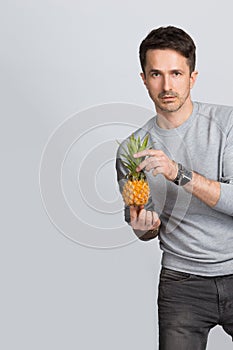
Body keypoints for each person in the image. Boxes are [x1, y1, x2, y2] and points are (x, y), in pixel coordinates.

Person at [116, 26, 233, 350]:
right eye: (156, 74)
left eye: (176, 73)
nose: (167, 85)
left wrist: (177, 172)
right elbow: (144, 226)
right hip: (182, 283)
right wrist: (143, 228)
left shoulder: (227, 125)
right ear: (143, 78)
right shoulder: (131, 150)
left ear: (192, 77)